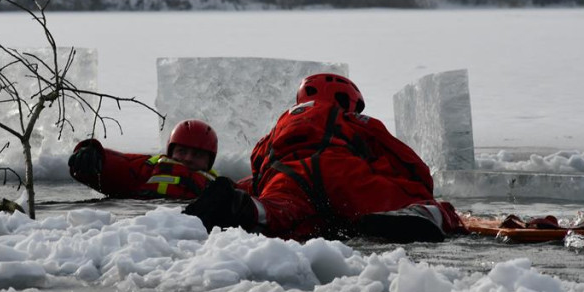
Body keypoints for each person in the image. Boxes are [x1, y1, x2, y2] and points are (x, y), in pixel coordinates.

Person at [183, 73, 464, 243]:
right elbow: (406, 161)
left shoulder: (279, 127)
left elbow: (259, 165)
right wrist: (418, 190)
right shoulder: (353, 120)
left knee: (284, 210)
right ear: (348, 101)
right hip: (340, 169)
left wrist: (241, 190)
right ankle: (423, 212)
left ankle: (251, 209)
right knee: (413, 200)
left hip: (285, 172)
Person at [68, 119, 220, 199]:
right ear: (171, 152)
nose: (187, 159)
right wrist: (94, 155)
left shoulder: (219, 186)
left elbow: (243, 191)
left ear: (209, 161)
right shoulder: (150, 167)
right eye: (182, 151)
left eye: (197, 154)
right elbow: (121, 164)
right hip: (144, 224)